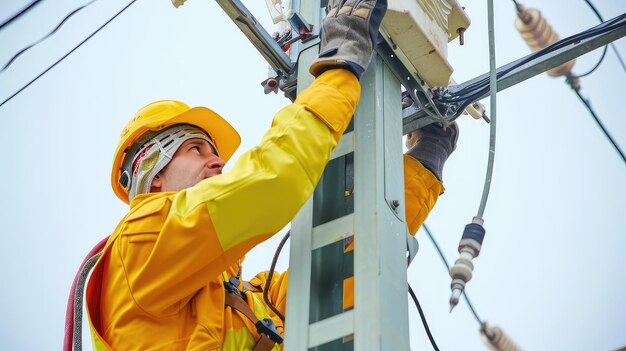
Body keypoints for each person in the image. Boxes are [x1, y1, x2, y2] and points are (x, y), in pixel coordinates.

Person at [83, 0, 458, 349]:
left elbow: (350, 278)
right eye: (194, 149)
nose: (217, 163)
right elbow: (273, 177)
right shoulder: (142, 242)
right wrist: (340, 65)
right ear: (153, 175)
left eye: (215, 154)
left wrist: (425, 162)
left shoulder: (253, 299)